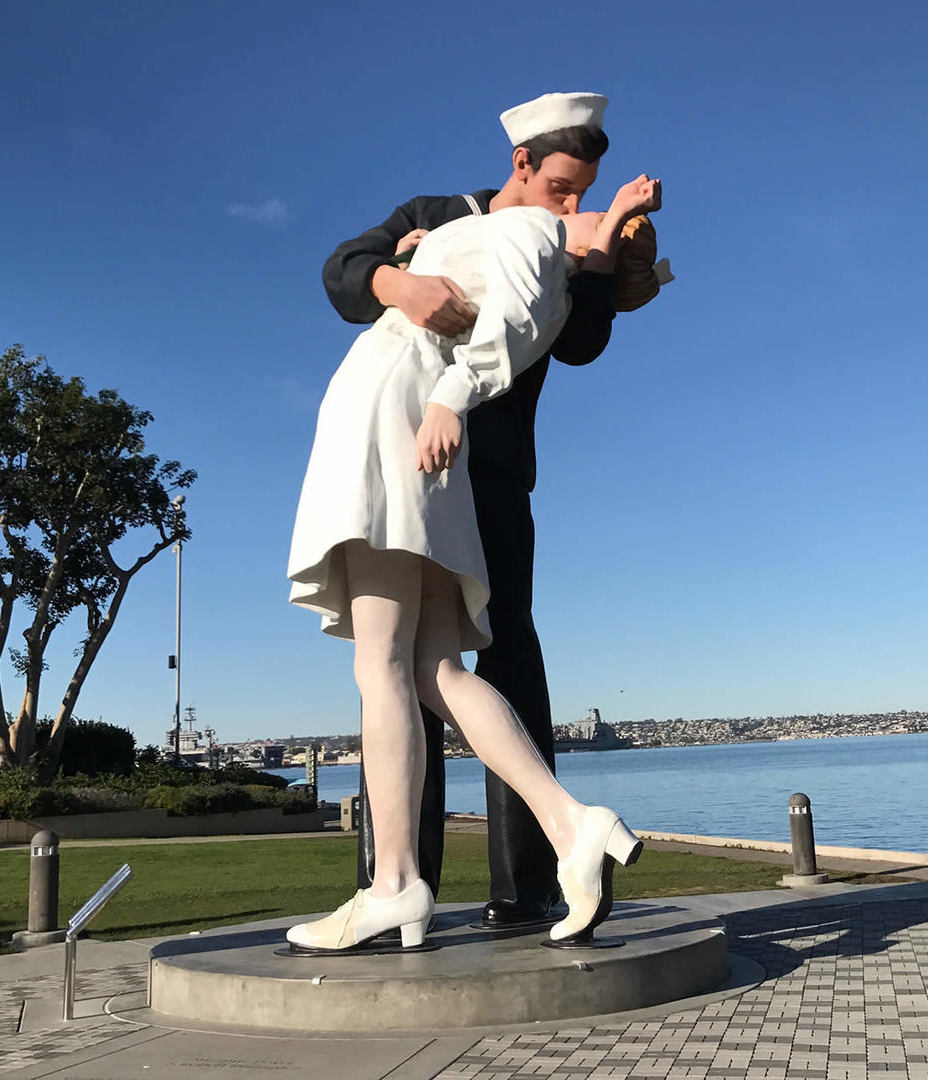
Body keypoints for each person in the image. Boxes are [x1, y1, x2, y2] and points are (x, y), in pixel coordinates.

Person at [285, 180, 664, 951]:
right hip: (432, 444)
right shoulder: (455, 216)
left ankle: (424, 885)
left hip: (433, 440)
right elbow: (346, 270)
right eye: (569, 190)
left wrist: (605, 242)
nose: (573, 203)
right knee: (431, 668)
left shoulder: (542, 245)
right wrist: (401, 276)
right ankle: (545, 832)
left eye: (582, 200)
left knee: (411, 663)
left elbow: (572, 337)